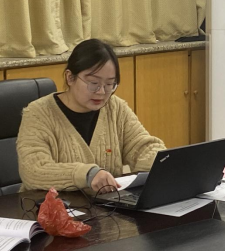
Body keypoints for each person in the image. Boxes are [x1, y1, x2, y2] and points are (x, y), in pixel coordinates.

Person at [17, 39, 166, 194]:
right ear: (70, 77)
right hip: (51, 206)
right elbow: (33, 170)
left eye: (109, 84)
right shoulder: (38, 113)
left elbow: (142, 146)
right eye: (93, 83)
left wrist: (163, 162)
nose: (101, 92)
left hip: (106, 205)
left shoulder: (115, 108)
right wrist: (87, 174)